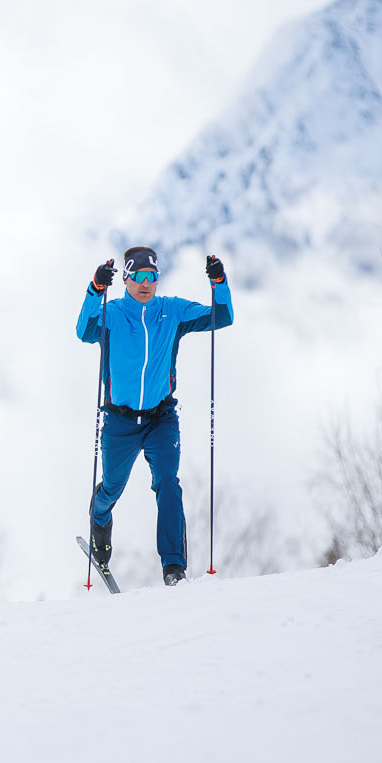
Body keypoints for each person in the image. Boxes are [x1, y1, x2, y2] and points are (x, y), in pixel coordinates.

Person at [77, 245, 234, 586]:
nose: (146, 283)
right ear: (127, 279)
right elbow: (85, 330)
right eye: (138, 277)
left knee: (168, 482)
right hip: (120, 422)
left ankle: (173, 568)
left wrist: (219, 281)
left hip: (161, 418)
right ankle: (99, 520)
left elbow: (221, 317)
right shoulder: (114, 313)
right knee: (112, 488)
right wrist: (95, 289)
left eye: (152, 277)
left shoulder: (172, 311)